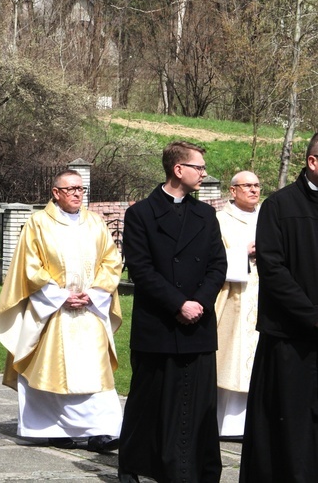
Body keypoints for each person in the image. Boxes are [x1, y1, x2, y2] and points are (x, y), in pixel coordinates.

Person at [118, 141, 227, 482]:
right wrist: (178, 303)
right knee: (148, 401)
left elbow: (217, 265)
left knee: (199, 404)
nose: (204, 173)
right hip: (160, 323)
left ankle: (196, 470)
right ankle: (136, 465)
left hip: (197, 324)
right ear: (179, 170)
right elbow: (140, 268)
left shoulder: (206, 215)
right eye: (198, 167)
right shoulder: (140, 214)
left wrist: (199, 302)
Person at [0, 170, 123, 452]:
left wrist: (93, 293)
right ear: (56, 193)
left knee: (95, 370)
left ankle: (101, 431)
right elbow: (29, 266)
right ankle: (54, 428)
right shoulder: (38, 223)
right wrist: (61, 296)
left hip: (89, 309)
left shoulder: (96, 223)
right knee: (50, 368)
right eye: (71, 189)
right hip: (52, 311)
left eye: (81, 189)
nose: (77, 194)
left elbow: (112, 261)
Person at [240, 136, 318, 481]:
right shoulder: (280, 206)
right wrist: (312, 316)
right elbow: (272, 269)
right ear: (313, 163)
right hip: (292, 337)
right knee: (291, 428)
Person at [213, 171, 261, 439]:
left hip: (264, 295)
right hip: (233, 295)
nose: (253, 190)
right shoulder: (220, 220)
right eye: (247, 186)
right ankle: (227, 424)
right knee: (231, 356)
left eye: (256, 185)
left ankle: (255, 422)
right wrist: (244, 253)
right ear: (233, 191)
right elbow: (213, 256)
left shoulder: (268, 217)